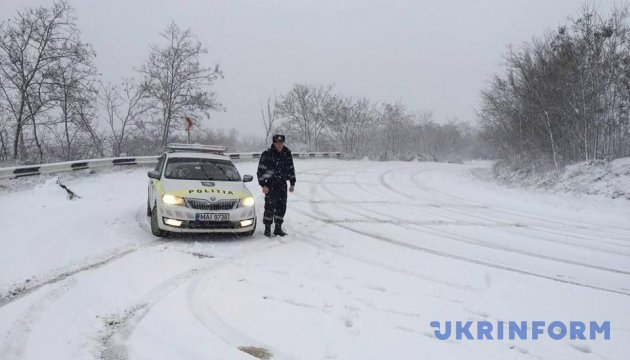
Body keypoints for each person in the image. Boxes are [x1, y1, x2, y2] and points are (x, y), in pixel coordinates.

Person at [256, 134, 296, 237]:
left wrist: (292, 182)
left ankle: (278, 228)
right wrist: (263, 185)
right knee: (269, 206)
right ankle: (267, 229)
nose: (279, 145)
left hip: (282, 184)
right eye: (277, 143)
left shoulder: (287, 153)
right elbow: (260, 171)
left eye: (281, 143)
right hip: (270, 185)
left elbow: (291, 167)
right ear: (273, 143)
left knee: (281, 206)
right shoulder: (267, 154)